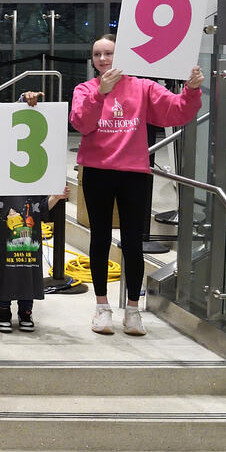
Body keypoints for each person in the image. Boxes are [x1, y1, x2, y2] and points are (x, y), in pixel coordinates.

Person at [70, 34, 204, 336]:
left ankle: (132, 310)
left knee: (133, 242)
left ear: (122, 56)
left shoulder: (143, 87)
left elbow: (177, 111)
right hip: (97, 172)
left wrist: (192, 90)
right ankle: (102, 308)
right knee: (100, 239)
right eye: (98, 55)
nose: (103, 60)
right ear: (92, 60)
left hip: (134, 174)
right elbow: (80, 123)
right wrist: (100, 94)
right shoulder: (85, 89)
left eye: (109, 54)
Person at [0, 186, 66, 333]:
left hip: (28, 241)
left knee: (28, 268)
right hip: (2, 235)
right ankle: (3, 309)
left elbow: (42, 208)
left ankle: (26, 310)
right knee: (4, 268)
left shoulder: (34, 185)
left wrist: (56, 197)